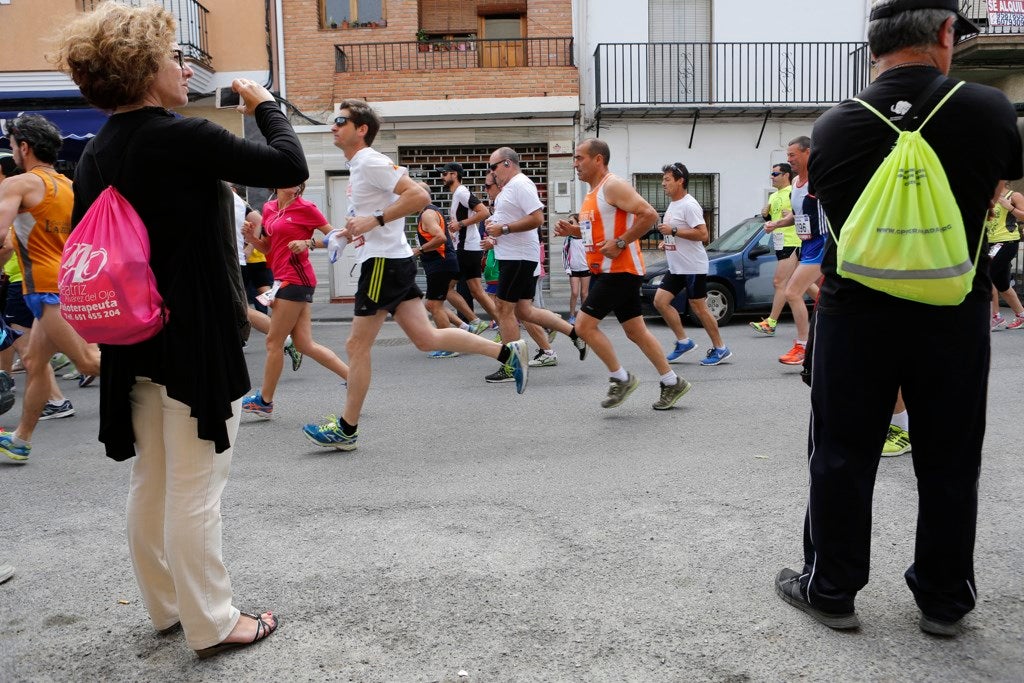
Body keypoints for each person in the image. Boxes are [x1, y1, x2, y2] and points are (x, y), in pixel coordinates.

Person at [53, 2, 312, 656]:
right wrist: (265, 105)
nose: (184, 68)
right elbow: (288, 166)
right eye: (173, 58)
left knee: (154, 479)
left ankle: (167, 606)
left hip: (131, 337)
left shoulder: (97, 151)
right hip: (193, 336)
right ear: (144, 68)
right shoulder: (181, 136)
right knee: (197, 488)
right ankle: (214, 622)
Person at [774, 0, 1021, 637]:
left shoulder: (833, 127)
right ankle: (944, 598)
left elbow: (834, 212)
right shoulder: (989, 109)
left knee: (840, 451)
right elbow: (997, 191)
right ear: (945, 32)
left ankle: (831, 589)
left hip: (855, 313)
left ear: (876, 45)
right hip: (952, 310)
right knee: (949, 455)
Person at [302, 99, 529, 452]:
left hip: (382, 264)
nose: (333, 126)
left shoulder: (370, 160)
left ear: (361, 130)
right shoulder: (359, 166)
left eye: (340, 121)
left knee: (356, 346)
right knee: (425, 338)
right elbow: (375, 216)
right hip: (391, 260)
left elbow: (419, 194)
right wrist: (346, 233)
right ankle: (507, 354)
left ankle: (347, 428)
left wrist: (374, 221)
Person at [554, 139, 691, 410]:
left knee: (583, 327)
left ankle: (621, 378)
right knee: (636, 331)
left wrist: (620, 242)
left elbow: (649, 215)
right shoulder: (593, 193)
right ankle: (672, 381)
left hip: (619, 270)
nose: (575, 163)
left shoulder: (612, 185)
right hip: (606, 270)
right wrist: (574, 232)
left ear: (598, 159)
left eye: (579, 158)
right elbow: (598, 232)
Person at [0, 115, 101, 462]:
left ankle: (175, 379)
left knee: (88, 362)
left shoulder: (19, 183)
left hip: (45, 287)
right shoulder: (68, 185)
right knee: (34, 360)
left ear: (24, 147)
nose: (12, 152)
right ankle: (21, 439)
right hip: (69, 281)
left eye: (12, 145)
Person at [240, 183, 349, 417]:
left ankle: (265, 401)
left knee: (273, 342)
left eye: (299, 181)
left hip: (296, 279)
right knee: (304, 344)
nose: (296, 184)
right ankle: (354, 378)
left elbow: (340, 238)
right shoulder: (269, 208)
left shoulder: (306, 208)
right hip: (281, 278)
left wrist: (308, 243)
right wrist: (251, 238)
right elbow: (268, 248)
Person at [483, 147, 587, 383]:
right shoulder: (510, 188)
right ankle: (575, 333)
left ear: (507, 163)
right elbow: (512, 220)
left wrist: (504, 229)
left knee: (504, 310)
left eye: (493, 166)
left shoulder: (520, 184)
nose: (492, 172)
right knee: (524, 311)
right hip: (514, 256)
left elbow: (537, 218)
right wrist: (495, 227)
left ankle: (512, 367)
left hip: (518, 257)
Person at [654, 162, 732, 367]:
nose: (663, 183)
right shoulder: (674, 204)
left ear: (680, 181)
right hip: (677, 266)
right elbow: (677, 232)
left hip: (692, 266)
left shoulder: (689, 204)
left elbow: (703, 234)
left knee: (699, 307)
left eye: (667, 179)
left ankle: (721, 348)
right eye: (663, 180)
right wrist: (668, 241)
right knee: (660, 301)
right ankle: (684, 342)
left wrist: (673, 231)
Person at [778, 136, 825, 367]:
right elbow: (797, 216)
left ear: (808, 152)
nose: (789, 160)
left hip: (823, 242)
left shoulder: (819, 179)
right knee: (818, 294)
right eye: (787, 155)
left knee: (792, 291)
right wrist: (776, 224)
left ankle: (803, 346)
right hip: (806, 245)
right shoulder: (796, 182)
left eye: (792, 155)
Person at [439, 161, 495, 331]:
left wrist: (460, 224)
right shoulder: (458, 194)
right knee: (477, 291)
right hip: (469, 248)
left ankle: (474, 321)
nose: (442, 177)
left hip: (466, 248)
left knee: (445, 288)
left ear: (454, 175)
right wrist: (455, 229)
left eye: (444, 173)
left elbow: (484, 212)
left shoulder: (462, 192)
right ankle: (503, 322)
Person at [411, 182, 463, 358]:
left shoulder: (427, 214)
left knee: (434, 305)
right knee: (432, 304)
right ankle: (462, 329)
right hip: (441, 264)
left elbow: (440, 238)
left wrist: (419, 250)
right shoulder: (430, 212)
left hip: (441, 264)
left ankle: (449, 346)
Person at [750, 162, 797, 335]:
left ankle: (771, 322)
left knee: (779, 282)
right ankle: (830, 310)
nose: (772, 177)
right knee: (802, 284)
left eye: (775, 174)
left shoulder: (793, 191)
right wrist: (766, 216)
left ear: (786, 175)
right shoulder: (773, 196)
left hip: (792, 241)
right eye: (772, 174)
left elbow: (803, 212)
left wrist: (792, 214)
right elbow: (773, 220)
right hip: (779, 242)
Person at [986, 180, 1024, 330]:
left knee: (987, 276)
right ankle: (1021, 315)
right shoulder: (988, 197)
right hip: (991, 243)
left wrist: (1010, 207)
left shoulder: (1013, 196)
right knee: (1002, 284)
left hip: (1006, 242)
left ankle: (995, 317)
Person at [561, 213, 590, 325]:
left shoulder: (586, 237)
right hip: (573, 269)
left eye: (571, 222)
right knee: (574, 292)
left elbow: (591, 251)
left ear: (578, 223)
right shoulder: (569, 238)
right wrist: (567, 268)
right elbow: (564, 253)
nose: (569, 224)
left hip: (586, 268)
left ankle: (584, 317)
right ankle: (572, 316)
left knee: (584, 293)